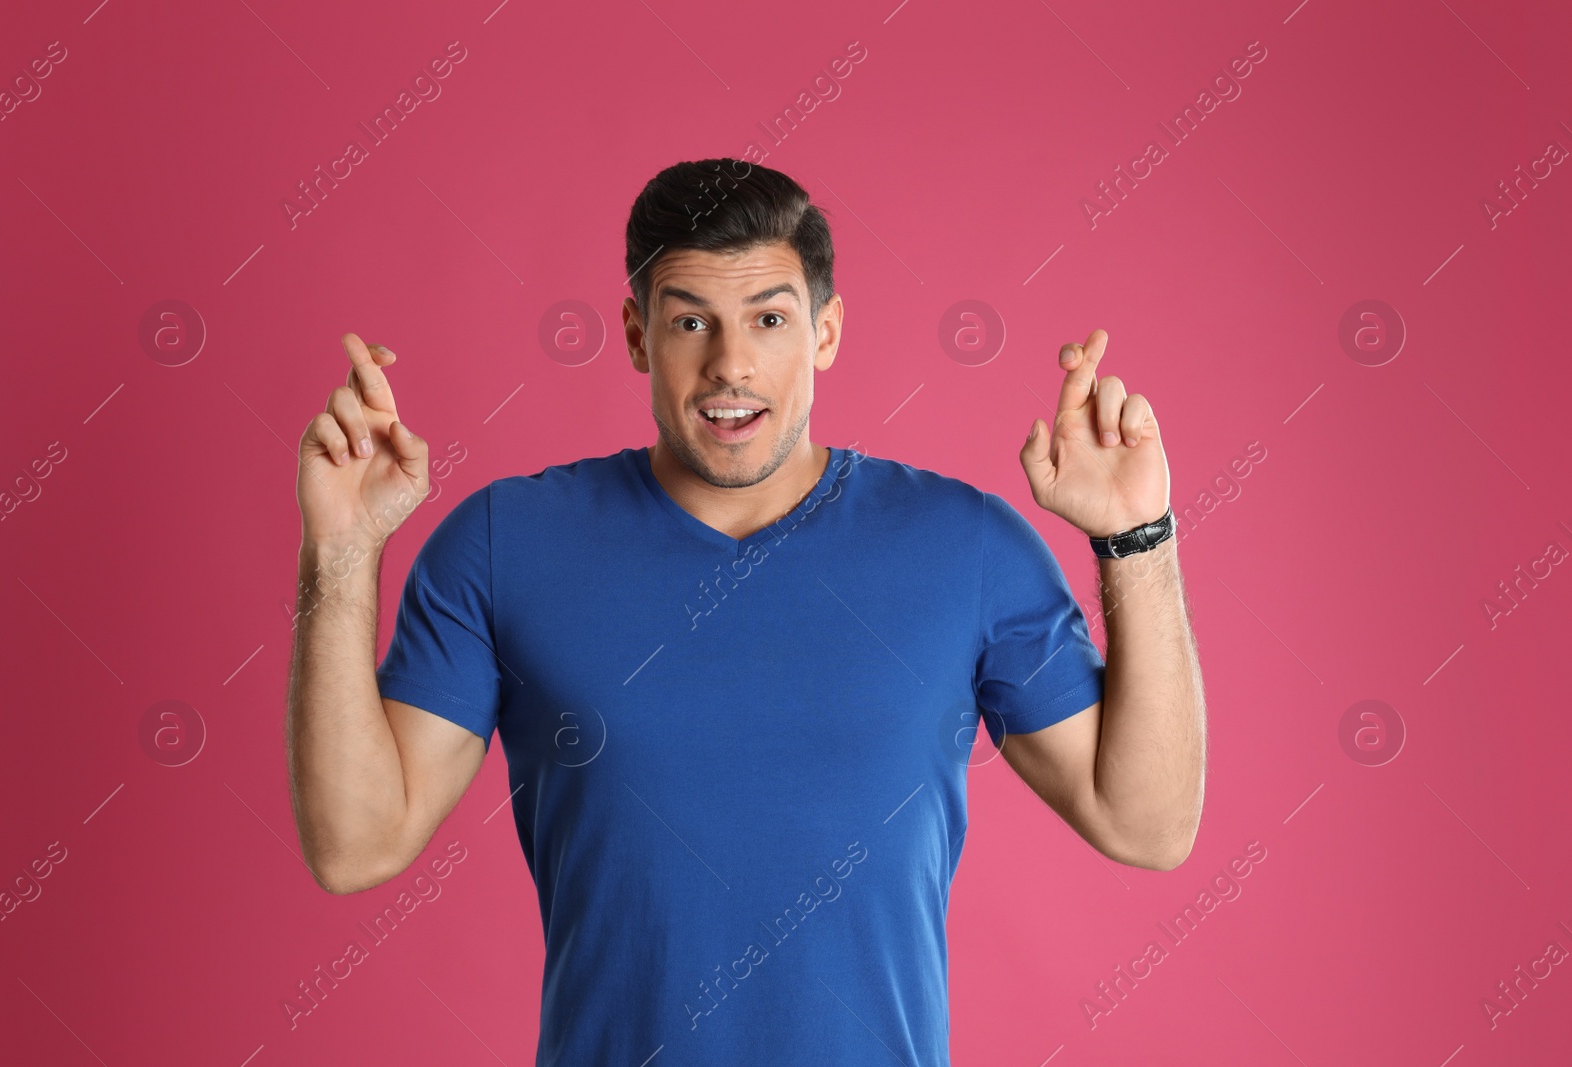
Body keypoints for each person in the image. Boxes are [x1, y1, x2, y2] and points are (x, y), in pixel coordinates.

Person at [286, 158, 1205, 1065]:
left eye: (769, 318)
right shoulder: (505, 542)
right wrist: (342, 552)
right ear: (639, 335)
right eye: (692, 321)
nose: (731, 364)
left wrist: (1138, 536)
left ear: (826, 331)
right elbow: (355, 844)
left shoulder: (965, 545)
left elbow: (1146, 824)